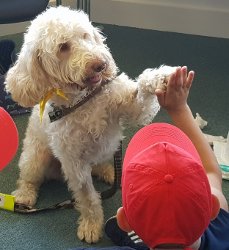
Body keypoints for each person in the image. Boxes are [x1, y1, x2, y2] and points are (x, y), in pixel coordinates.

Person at [70, 66, 229, 250]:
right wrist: (180, 109)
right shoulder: (222, 229)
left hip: (137, 239)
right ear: (212, 208)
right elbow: (211, 171)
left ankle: (133, 236)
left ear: (125, 220)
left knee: (123, 233)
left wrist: (178, 109)